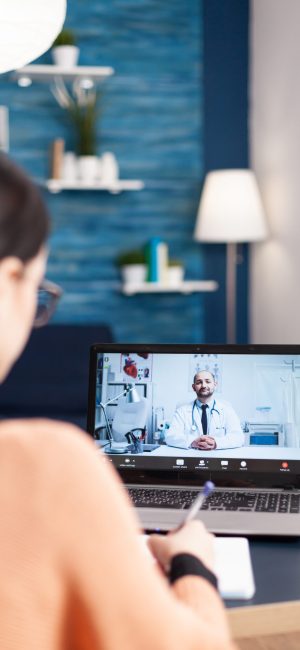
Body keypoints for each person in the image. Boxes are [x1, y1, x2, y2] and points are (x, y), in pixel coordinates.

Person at [0, 154, 237, 650]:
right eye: (38, 291)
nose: (201, 388)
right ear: (10, 279)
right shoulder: (46, 466)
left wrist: (217, 438)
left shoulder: (229, 412)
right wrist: (193, 563)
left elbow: (234, 437)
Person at [165, 370, 244, 450]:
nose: (203, 385)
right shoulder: (182, 411)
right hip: (190, 458)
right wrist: (192, 442)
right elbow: (170, 436)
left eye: (208, 381)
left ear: (215, 385)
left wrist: (216, 443)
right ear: (193, 387)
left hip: (218, 458)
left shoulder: (227, 410)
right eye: (199, 382)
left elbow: (238, 437)